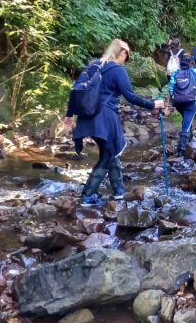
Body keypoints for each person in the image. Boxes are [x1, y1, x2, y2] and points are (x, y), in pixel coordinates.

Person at [62, 39, 164, 206]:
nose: (126, 59)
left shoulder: (94, 65)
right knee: (108, 154)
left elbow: (76, 90)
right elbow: (130, 96)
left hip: (87, 116)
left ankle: (118, 190)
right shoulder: (118, 70)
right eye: (127, 55)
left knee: (110, 149)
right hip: (105, 116)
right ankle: (88, 195)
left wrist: (69, 115)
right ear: (122, 52)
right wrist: (152, 104)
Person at [167, 52, 196, 155]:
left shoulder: (175, 73)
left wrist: (173, 99)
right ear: (191, 62)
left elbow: (170, 89)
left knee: (187, 119)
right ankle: (181, 149)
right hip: (191, 102)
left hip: (178, 103)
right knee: (186, 124)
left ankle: (190, 139)